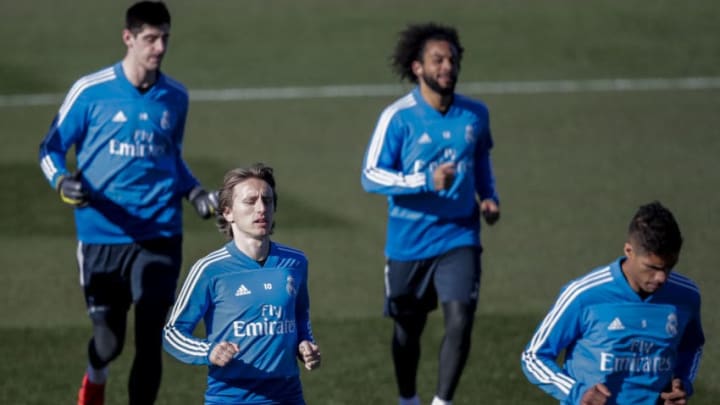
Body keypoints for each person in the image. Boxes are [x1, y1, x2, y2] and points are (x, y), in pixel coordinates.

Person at [37, 2, 219, 404]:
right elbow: (49, 148)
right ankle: (95, 376)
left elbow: (170, 158)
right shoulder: (90, 92)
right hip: (102, 235)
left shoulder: (176, 97)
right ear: (128, 38)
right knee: (109, 341)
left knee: (151, 337)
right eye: (150, 39)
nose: (159, 48)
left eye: (165, 38)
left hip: (159, 232)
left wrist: (194, 192)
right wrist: (62, 182)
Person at [360, 22, 500, 405]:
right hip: (409, 241)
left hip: (459, 235)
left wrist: (489, 197)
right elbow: (370, 176)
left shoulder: (475, 115)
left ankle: (442, 401)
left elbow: (481, 160)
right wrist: (424, 179)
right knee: (408, 330)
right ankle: (408, 398)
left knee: (460, 318)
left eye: (452, 59)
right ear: (417, 67)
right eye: (437, 60)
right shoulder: (398, 117)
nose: (447, 67)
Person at [163, 163, 321, 405]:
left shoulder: (295, 262)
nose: (261, 209)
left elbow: (300, 317)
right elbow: (172, 333)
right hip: (230, 398)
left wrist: (305, 345)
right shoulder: (209, 270)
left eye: (267, 201)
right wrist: (208, 351)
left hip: (288, 396)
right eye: (250, 201)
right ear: (228, 212)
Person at [521, 201, 705, 405]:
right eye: (651, 267)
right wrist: (576, 392)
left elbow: (692, 346)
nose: (661, 277)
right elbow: (534, 357)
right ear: (629, 251)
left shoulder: (686, 296)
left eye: (669, 267)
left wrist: (683, 382)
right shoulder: (585, 295)